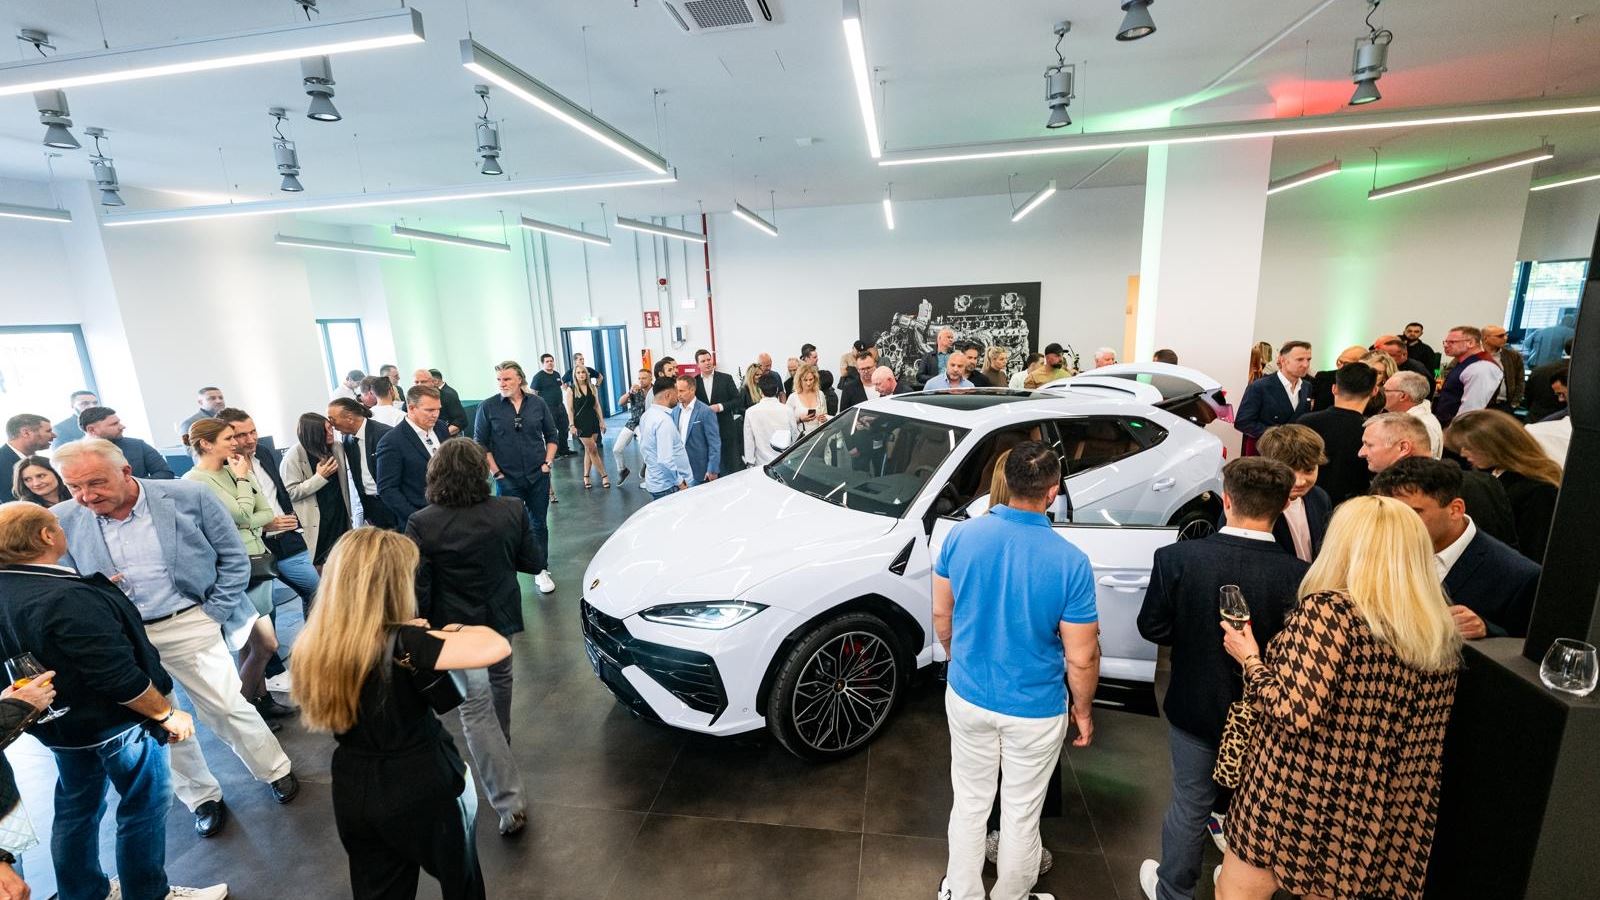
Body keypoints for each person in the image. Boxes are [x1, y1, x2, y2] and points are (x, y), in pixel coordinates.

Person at [1217, 495, 1461, 900]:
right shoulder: (1434, 630)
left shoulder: (1331, 612)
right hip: (1377, 806)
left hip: (1293, 791)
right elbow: (1425, 742)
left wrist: (1251, 659)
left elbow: (1291, 712)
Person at [52, 439, 298, 839]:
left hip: (189, 622)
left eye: (95, 483)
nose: (85, 495)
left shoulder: (188, 496)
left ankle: (275, 770)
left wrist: (212, 613)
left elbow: (234, 558)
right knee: (161, 719)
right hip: (123, 637)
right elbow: (66, 581)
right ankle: (201, 797)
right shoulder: (63, 517)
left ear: (126, 472)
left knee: (225, 706)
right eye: (74, 487)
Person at [0, 502, 229, 900]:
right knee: (144, 806)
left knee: (77, 812)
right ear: (45, 536)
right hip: (118, 727)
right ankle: (148, 893)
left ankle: (84, 892)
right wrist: (167, 714)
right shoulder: (66, 597)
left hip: (59, 730)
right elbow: (116, 676)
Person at [293, 528, 509, 900]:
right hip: (423, 783)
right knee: (462, 881)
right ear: (389, 585)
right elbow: (493, 645)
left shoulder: (314, 643)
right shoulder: (405, 643)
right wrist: (450, 629)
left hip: (352, 784)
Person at [1137, 458, 1309, 900]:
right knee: (1254, 806)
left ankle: (1173, 890)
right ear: (1283, 505)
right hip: (1266, 715)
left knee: (1190, 803)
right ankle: (1235, 882)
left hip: (1194, 704)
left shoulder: (1176, 558)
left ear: (1227, 501)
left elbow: (1151, 628)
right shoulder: (1301, 576)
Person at [935, 441, 1098, 900]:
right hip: (1035, 708)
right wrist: (1082, 710)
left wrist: (957, 658)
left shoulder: (961, 537)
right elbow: (1082, 655)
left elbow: (942, 616)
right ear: (1053, 491)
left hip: (967, 695)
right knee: (1021, 813)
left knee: (968, 802)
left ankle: (960, 892)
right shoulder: (1071, 561)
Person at [406, 440, 538, 838]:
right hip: (500, 619)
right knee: (500, 683)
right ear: (481, 471)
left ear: (436, 474)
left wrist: (422, 628)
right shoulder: (511, 509)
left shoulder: (422, 523)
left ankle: (509, 802)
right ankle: (502, 750)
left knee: (474, 710)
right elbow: (533, 562)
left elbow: (420, 588)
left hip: (455, 632)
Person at [181, 419, 289, 718]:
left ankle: (261, 698)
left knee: (249, 644)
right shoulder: (194, 482)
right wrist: (244, 483)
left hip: (259, 561)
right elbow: (242, 514)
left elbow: (266, 511)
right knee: (266, 644)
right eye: (228, 438)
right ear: (205, 443)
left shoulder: (234, 470)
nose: (236, 443)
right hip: (232, 571)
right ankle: (244, 711)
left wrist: (249, 516)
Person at [1372, 458, 1539, 639]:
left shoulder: (1518, 576)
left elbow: (1528, 650)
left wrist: (1487, 630)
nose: (1400, 524)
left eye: (1414, 513)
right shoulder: (1379, 547)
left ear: (1455, 509)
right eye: (1393, 514)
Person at [1354, 411, 1522, 549]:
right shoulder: (1484, 482)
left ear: (1403, 447)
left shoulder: (1481, 485)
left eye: (1369, 445)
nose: (1361, 453)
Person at [217, 407, 321, 618]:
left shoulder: (263, 452)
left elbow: (280, 491)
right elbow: (224, 518)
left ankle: (312, 646)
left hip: (287, 540)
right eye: (241, 435)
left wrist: (293, 520)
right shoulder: (219, 471)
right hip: (254, 548)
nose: (251, 438)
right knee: (264, 612)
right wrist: (263, 525)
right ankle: (269, 652)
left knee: (318, 593)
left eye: (253, 431)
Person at [473, 361, 558, 594]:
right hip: (506, 478)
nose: (503, 384)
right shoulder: (487, 407)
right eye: (499, 379)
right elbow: (480, 442)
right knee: (508, 526)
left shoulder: (537, 404)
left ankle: (541, 568)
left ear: (520, 379)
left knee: (539, 523)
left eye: (507, 379)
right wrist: (496, 473)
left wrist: (547, 463)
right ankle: (508, 572)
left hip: (538, 475)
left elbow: (551, 435)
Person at [1447, 410, 1561, 564]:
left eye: (1469, 447)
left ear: (1496, 446)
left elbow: (1534, 552)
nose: (1463, 453)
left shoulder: (1539, 490)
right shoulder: (1489, 473)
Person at [281, 412, 352, 570]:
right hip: (317, 519)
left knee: (344, 558)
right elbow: (291, 492)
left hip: (339, 513)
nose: (331, 433)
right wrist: (320, 477)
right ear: (314, 434)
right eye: (325, 430)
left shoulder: (337, 447)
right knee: (321, 564)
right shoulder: (293, 456)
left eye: (330, 428)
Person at [1297, 363, 1375, 505]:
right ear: (1374, 391)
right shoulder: (1372, 430)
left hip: (1307, 503)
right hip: (1352, 508)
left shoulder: (1306, 422)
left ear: (1334, 388)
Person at [1254, 425, 1331, 563]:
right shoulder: (1248, 505)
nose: (1300, 481)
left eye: (1309, 470)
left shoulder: (1320, 498)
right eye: (1290, 471)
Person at [376, 384, 450, 526]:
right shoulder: (391, 442)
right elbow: (387, 490)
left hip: (451, 511)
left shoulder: (441, 427)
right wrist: (416, 517)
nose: (435, 414)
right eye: (429, 410)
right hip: (421, 519)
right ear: (411, 408)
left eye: (438, 409)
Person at [1233, 341, 1313, 455]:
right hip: (1263, 454)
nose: (1305, 365)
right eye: (1300, 359)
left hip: (1292, 455)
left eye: (1308, 359)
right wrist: (1280, 436)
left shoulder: (1306, 387)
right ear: (1282, 360)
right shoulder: (1259, 386)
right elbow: (1243, 422)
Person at [328, 398, 396, 530]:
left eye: (332, 419)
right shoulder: (347, 438)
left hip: (391, 502)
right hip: (371, 505)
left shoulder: (385, 434)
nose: (331, 424)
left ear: (349, 418)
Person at [79, 407, 175, 479]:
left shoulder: (138, 446)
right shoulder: (76, 456)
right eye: (114, 424)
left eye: (119, 422)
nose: (122, 426)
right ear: (91, 430)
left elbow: (165, 473)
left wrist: (134, 487)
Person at [1434, 325, 1503, 427]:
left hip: (1458, 429)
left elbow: (1471, 408)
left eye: (1452, 342)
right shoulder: (1463, 362)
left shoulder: (1482, 367)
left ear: (1470, 343)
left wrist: (1454, 431)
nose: (1446, 345)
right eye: (1446, 342)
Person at [694, 349, 746, 475]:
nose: (707, 363)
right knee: (711, 470)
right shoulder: (694, 382)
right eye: (703, 361)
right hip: (705, 432)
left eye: (709, 359)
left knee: (731, 468)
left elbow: (738, 400)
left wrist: (720, 407)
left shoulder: (725, 378)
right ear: (698, 364)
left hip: (726, 429)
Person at [640, 377, 693, 500]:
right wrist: (680, 483)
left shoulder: (647, 415)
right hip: (669, 487)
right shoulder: (664, 421)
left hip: (656, 482)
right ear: (668, 395)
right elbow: (665, 460)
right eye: (676, 392)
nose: (678, 396)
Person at [566, 366, 610, 489]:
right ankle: (604, 476)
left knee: (588, 450)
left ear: (587, 374)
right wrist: (571, 425)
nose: (581, 375)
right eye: (578, 373)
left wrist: (601, 421)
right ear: (575, 375)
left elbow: (597, 406)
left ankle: (586, 476)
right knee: (593, 449)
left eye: (583, 373)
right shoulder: (571, 390)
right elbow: (570, 409)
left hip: (592, 420)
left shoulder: (592, 387)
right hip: (580, 422)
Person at [674, 375, 722, 486]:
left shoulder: (705, 411)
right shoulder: (675, 411)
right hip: (680, 472)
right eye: (677, 390)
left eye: (682, 391)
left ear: (692, 390)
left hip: (700, 471)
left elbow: (714, 443)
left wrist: (712, 469)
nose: (678, 394)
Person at [1382, 372, 1443, 457]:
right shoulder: (1402, 417)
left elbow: (1417, 464)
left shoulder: (1422, 426)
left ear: (1403, 396)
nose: (1381, 394)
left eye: (1386, 391)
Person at [1, 415, 54, 503]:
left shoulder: (41, 460)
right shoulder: (2, 463)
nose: (54, 435)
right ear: (26, 433)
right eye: (48, 431)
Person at [613, 369, 652, 484]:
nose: (641, 381)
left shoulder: (655, 391)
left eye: (644, 378)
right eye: (639, 378)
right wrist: (629, 392)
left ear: (651, 378)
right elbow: (620, 403)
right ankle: (622, 470)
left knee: (643, 446)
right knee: (616, 449)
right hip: (633, 422)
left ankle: (647, 466)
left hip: (646, 424)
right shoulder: (635, 391)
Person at [529, 355, 572, 458]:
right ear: (542, 363)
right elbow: (533, 393)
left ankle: (564, 450)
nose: (550, 363)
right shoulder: (538, 377)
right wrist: (536, 408)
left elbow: (562, 386)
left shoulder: (556, 374)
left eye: (551, 361)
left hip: (560, 406)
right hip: (548, 408)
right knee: (551, 431)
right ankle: (554, 453)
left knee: (564, 428)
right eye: (547, 361)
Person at [743, 374, 791, 467]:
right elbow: (794, 436)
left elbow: (749, 440)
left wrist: (750, 462)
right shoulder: (788, 410)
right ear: (777, 390)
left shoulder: (750, 412)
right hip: (785, 462)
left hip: (761, 464)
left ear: (760, 391)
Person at [1309, 345, 1366, 412]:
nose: (1341, 367)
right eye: (1339, 362)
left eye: (1346, 364)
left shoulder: (1366, 383)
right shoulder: (1324, 378)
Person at [1480, 325, 1524, 411]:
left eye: (1505, 335)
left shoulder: (1513, 356)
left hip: (1505, 405)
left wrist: (1515, 403)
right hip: (1479, 405)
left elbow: (1520, 380)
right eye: (1500, 336)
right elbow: (1451, 373)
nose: (1505, 338)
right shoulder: (1473, 354)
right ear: (1486, 338)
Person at [416, 368, 468, 436]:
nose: (419, 385)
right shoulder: (411, 400)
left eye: (423, 382)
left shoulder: (448, 396)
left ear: (433, 382)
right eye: (416, 382)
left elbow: (461, 420)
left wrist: (442, 435)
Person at [1525, 349, 1571, 422]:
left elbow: (1528, 396)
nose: (1560, 399)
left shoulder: (1539, 371)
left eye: (1561, 394)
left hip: (1534, 418)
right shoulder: (1583, 374)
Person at [786, 363, 832, 437]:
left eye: (811, 379)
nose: (808, 383)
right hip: (801, 439)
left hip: (819, 436)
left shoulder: (820, 394)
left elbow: (824, 414)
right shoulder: (793, 397)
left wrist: (824, 418)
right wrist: (800, 419)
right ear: (800, 380)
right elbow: (786, 421)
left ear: (815, 379)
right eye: (805, 380)